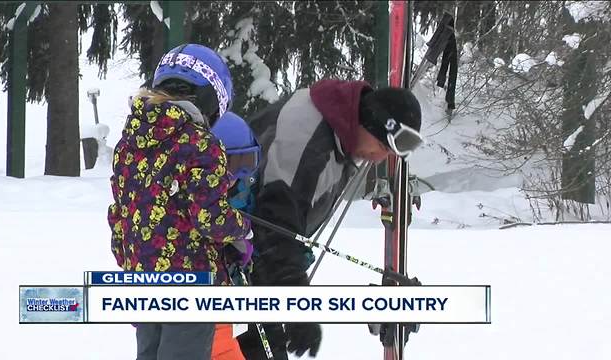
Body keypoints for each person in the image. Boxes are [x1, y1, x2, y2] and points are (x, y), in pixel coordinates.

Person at [237, 79, 423, 359]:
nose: (382, 158)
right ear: (373, 124)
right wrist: (297, 306)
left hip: (251, 260)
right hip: (225, 262)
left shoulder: (338, 131)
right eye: (385, 147)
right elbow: (275, 224)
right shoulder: (309, 137)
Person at [107, 43, 253, 360]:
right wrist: (243, 227)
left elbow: (119, 217)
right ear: (211, 99)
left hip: (143, 284)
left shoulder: (129, 142)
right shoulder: (202, 143)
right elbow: (210, 217)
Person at [209, 111, 262, 360]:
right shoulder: (199, 199)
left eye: (247, 162)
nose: (239, 176)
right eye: (232, 165)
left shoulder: (239, 192)